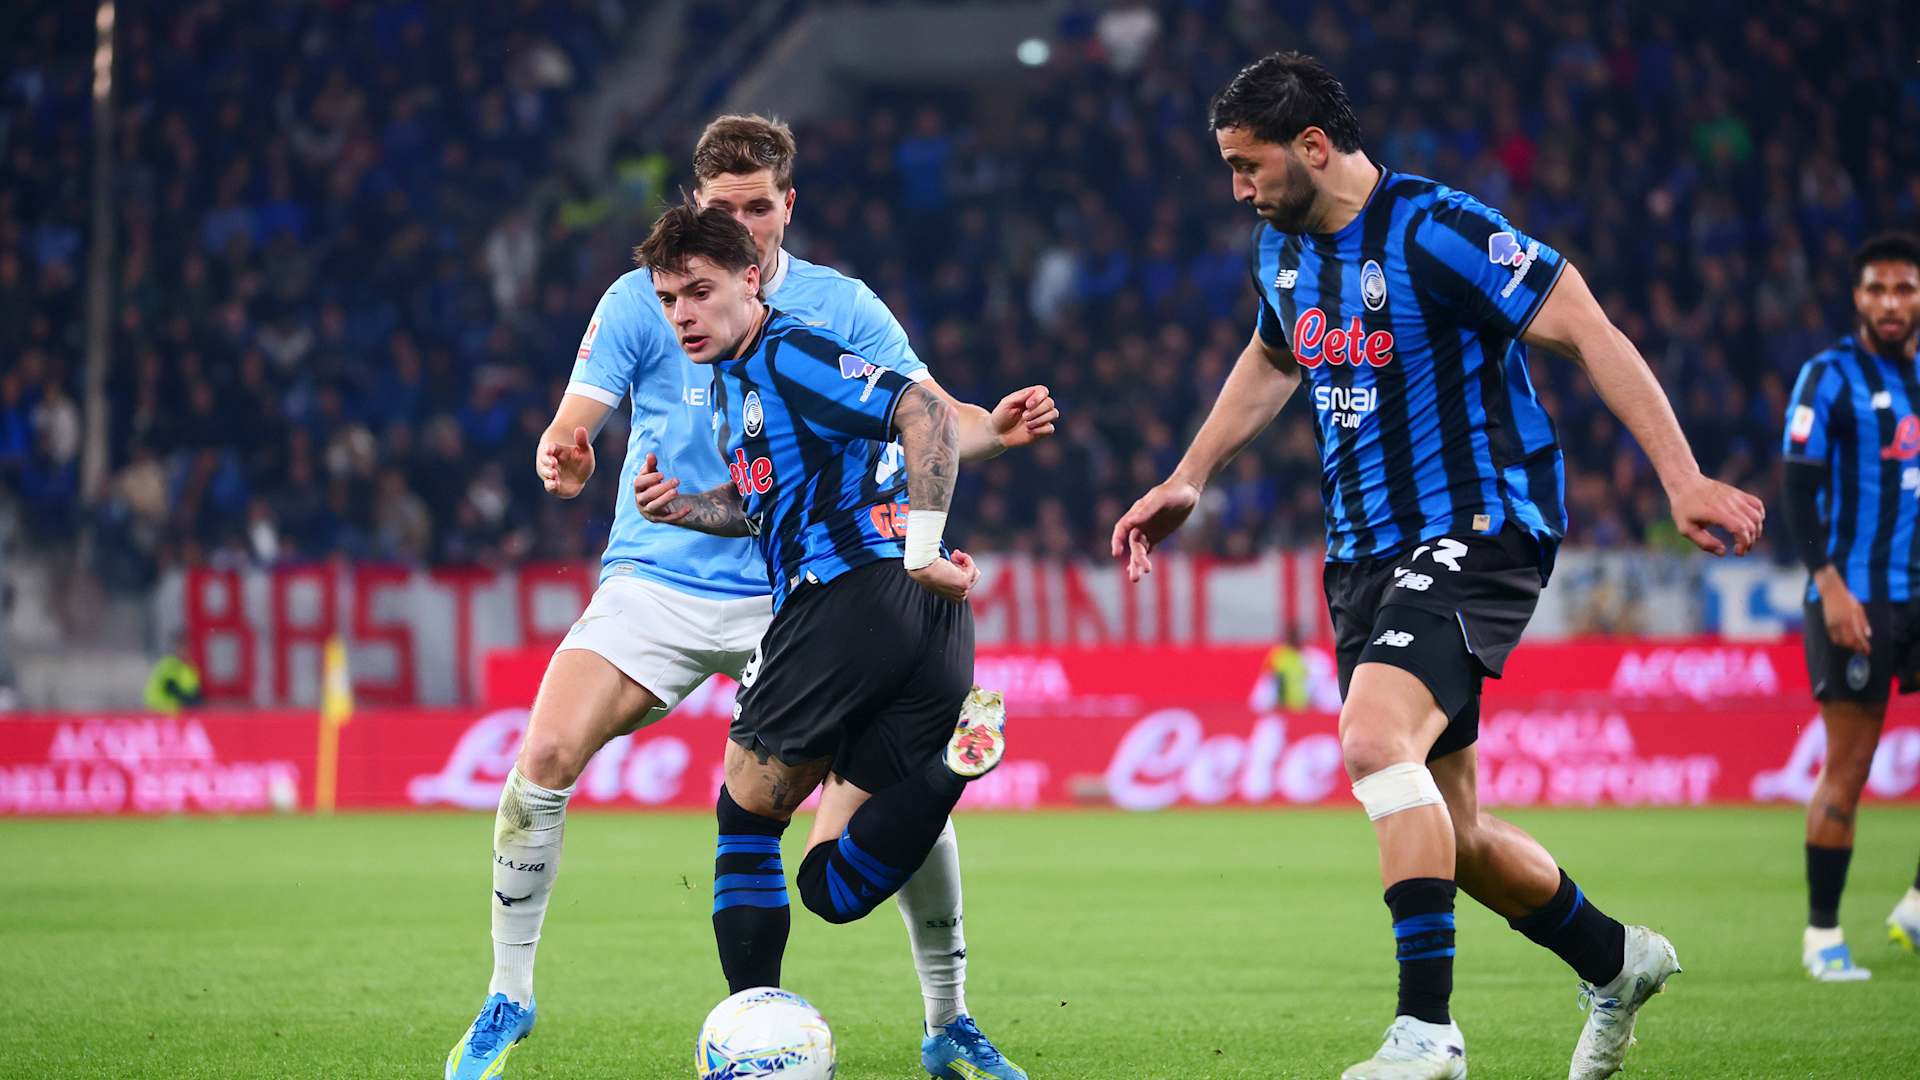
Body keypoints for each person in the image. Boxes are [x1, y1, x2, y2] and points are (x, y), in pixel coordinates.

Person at [1109, 52, 1765, 1080]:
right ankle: (1615, 960)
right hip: (1361, 554)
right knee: (1449, 832)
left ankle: (1427, 1033)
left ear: (1313, 147)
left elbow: (1585, 326)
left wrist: (1680, 478)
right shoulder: (1279, 251)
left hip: (1478, 525)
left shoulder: (1438, 229)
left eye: (1247, 165)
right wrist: (1190, 475)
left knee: (1373, 740)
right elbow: (1275, 356)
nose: (1237, 189)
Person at [447, 118, 1049, 1080]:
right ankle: (509, 995)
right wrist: (564, 455)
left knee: (865, 801)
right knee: (548, 752)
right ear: (696, 209)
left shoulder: (830, 309)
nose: (743, 229)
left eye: (759, 209)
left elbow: (934, 414)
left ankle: (949, 1019)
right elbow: (575, 425)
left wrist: (994, 430)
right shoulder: (649, 297)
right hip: (662, 575)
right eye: (723, 211)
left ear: (786, 207)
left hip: (802, 592)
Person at [631, 200, 1007, 1046]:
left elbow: (925, 411)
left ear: (751, 280)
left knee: (746, 816)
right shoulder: (733, 384)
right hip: (935, 628)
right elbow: (769, 498)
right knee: (830, 884)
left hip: (849, 600)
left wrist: (922, 547)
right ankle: (953, 766)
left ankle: (752, 1038)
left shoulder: (788, 350)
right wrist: (685, 509)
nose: (683, 314)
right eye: (667, 299)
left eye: (699, 291)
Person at [1780, 230, 1920, 981]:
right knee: (1851, 765)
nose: (1891, 303)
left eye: (1904, 289)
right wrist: (1830, 585)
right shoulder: (1829, 376)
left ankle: (1916, 907)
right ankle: (1822, 934)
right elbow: (1797, 489)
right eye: (1878, 289)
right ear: (1857, 298)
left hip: (1917, 591)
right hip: (1855, 598)